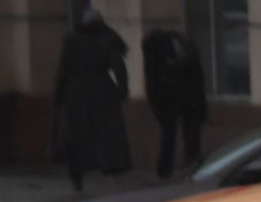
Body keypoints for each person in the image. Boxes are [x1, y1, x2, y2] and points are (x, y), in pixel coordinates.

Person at [52, 10, 132, 192]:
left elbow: (63, 68)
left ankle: (77, 176)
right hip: (101, 90)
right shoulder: (108, 38)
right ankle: (109, 172)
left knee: (77, 135)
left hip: (76, 92)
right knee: (107, 133)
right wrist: (122, 89)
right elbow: (118, 65)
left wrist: (58, 94)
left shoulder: (72, 39)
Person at [141, 28, 208, 178]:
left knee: (170, 135)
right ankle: (190, 164)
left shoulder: (157, 56)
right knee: (186, 133)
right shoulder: (178, 49)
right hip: (187, 97)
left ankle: (168, 168)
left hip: (174, 99)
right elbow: (197, 77)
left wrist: (156, 104)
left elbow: (153, 85)